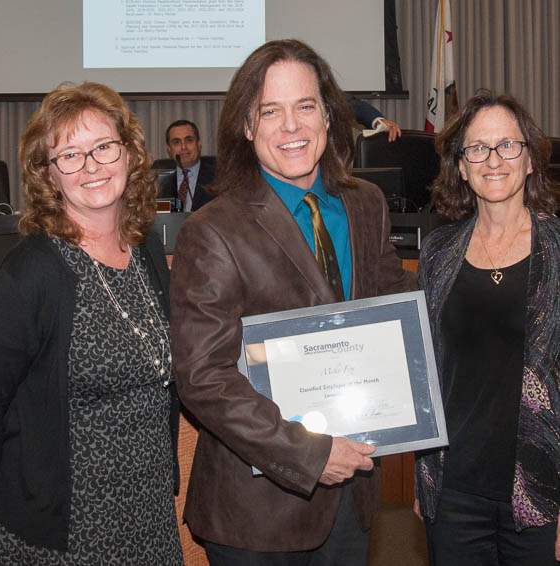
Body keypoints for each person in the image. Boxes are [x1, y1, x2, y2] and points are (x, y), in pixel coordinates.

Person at [170, 39, 414, 566]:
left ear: (328, 116)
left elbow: (395, 315)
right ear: (247, 126)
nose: (292, 126)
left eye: (305, 106)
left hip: (352, 500)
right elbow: (203, 378)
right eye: (270, 111)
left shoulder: (365, 205)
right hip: (256, 514)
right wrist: (309, 453)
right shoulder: (211, 231)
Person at [0, 82, 183, 564]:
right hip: (65, 531)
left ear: (130, 154)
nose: (92, 166)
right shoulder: (29, 273)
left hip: (149, 514)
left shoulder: (146, 252)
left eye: (103, 147)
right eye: (70, 155)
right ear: (47, 176)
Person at [415, 89, 560, 565]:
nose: (493, 159)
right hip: (454, 492)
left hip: (542, 494)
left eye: (508, 145)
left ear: (530, 158)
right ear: (461, 165)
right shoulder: (437, 254)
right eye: (477, 148)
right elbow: (429, 371)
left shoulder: (558, 251)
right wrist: (425, 479)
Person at [158, 119, 215, 210]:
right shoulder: (159, 183)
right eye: (176, 142)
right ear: (169, 149)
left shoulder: (218, 177)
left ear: (199, 144)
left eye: (189, 140)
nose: (183, 147)